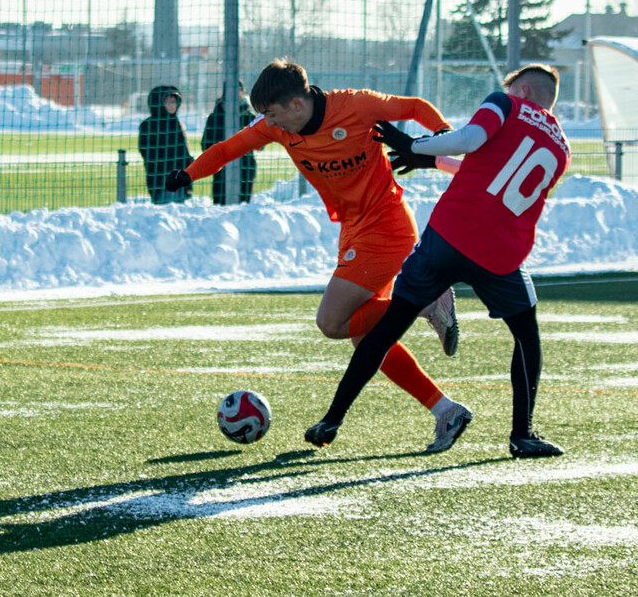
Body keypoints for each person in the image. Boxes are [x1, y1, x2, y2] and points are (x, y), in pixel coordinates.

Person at [166, 58, 469, 452]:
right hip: (354, 230)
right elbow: (228, 148)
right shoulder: (277, 126)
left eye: (273, 114)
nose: (270, 123)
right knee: (366, 337)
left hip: (387, 226)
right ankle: (446, 410)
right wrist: (189, 174)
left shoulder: (356, 105)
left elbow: (413, 106)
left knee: (331, 322)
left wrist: (442, 135)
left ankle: (426, 301)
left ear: (296, 104)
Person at [305, 64, 569, 458]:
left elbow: (469, 138)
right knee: (527, 338)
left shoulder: (506, 104)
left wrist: (415, 146)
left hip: (449, 235)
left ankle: (332, 419)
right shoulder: (561, 146)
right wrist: (432, 162)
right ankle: (522, 433)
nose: (505, 91)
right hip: (500, 253)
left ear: (524, 90)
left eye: (510, 88)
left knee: (389, 327)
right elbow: (492, 172)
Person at [202, 80, 257, 205]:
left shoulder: (249, 117)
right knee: (221, 204)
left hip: (245, 167)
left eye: (239, 89)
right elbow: (206, 143)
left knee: (243, 206)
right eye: (233, 89)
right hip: (222, 167)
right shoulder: (215, 117)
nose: (236, 93)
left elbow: (261, 144)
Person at [139, 85, 194, 204]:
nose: (171, 105)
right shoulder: (148, 125)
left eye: (174, 102)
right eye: (168, 102)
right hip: (162, 182)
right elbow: (148, 152)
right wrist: (169, 167)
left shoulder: (177, 124)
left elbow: (184, 150)